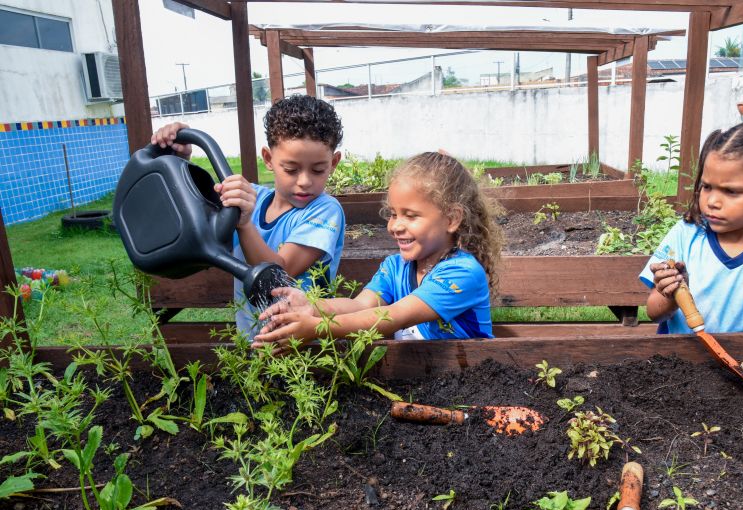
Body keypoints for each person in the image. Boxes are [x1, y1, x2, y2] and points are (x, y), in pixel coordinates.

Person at [252, 151, 504, 348]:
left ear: (451, 219)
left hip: (472, 377)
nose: (395, 226)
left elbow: (394, 316)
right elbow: (361, 305)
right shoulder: (395, 267)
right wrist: (312, 306)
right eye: (393, 214)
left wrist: (318, 327)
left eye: (411, 216)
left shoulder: (462, 271)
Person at [151, 94, 346, 338]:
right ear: (268, 159)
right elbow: (194, 213)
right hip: (251, 341)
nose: (305, 181)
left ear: (333, 162)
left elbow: (279, 274)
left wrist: (244, 225)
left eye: (318, 170)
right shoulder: (252, 198)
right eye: (291, 169)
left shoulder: (325, 210)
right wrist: (179, 159)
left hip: (303, 348)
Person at [641, 121, 743, 381]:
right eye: (707, 187)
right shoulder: (687, 234)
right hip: (677, 367)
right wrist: (668, 294)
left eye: (731, 191)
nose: (713, 201)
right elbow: (654, 313)